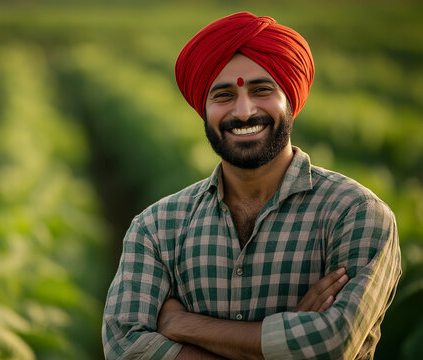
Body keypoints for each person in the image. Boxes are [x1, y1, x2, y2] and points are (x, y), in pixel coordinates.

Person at [102, 11, 401, 360]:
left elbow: (333, 342)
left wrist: (183, 325)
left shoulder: (354, 214)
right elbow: (125, 347)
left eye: (261, 90)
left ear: (291, 100)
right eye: (223, 95)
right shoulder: (157, 226)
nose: (243, 111)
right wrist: (287, 341)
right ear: (204, 108)